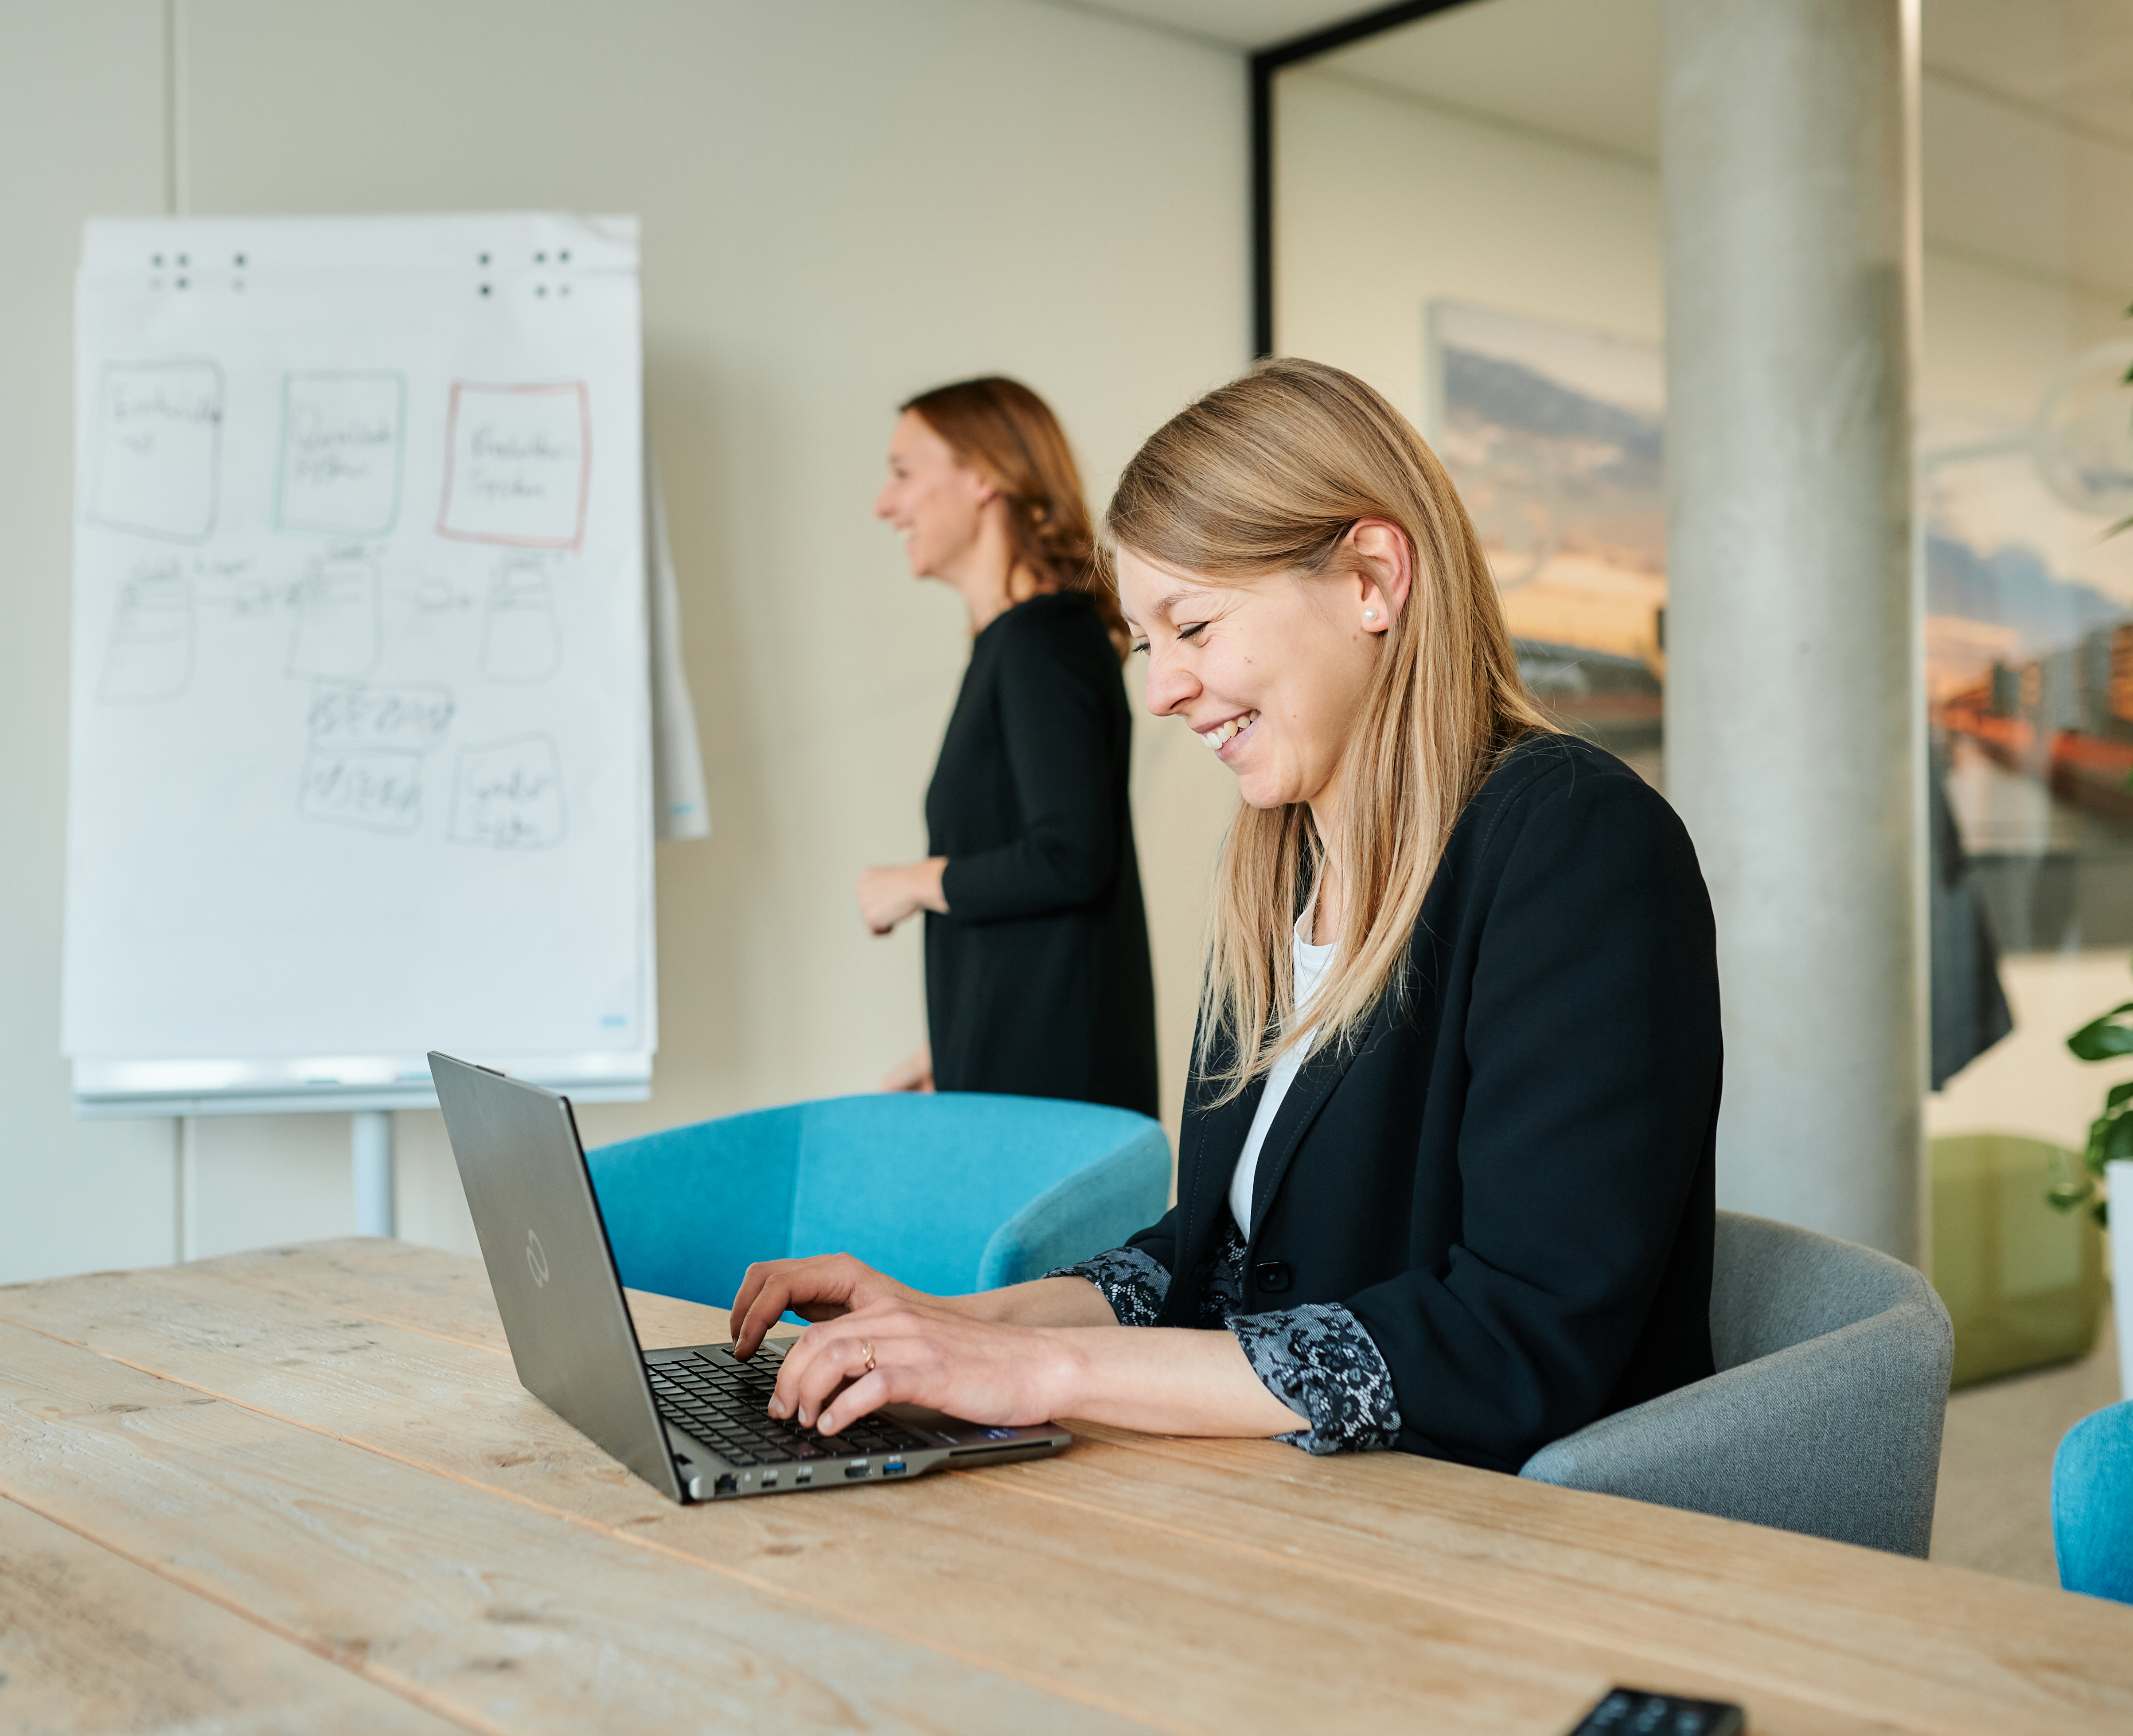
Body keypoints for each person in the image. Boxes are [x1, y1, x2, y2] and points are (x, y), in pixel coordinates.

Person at [733, 359, 1721, 1473]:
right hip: (1296, 1496)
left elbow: (1515, 1338)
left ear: (1372, 577)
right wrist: (964, 1324)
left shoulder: (1578, 844)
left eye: (1193, 625)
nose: (1160, 691)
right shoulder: (1278, 869)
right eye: (1149, 643)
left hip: (1492, 1534)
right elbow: (1223, 1253)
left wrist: (1044, 1373)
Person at [858, 376, 1159, 1119]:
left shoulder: (1043, 643)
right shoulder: (1018, 645)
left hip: (1052, 1105)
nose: (884, 504)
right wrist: (953, 1047)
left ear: (985, 474)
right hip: (1021, 1074)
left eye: (902, 473)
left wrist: (914, 881)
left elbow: (1070, 859)